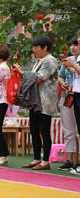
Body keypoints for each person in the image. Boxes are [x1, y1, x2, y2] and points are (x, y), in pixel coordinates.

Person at [21, 37, 59, 171]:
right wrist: (26, 75)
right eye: (34, 47)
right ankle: (37, 158)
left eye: (36, 47)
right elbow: (33, 77)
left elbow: (39, 78)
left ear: (45, 48)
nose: (34, 49)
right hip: (35, 101)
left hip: (45, 101)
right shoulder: (39, 61)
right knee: (34, 130)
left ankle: (45, 160)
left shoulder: (50, 60)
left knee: (44, 130)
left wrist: (22, 74)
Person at [62, 37, 80, 174]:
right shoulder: (70, 60)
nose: (74, 47)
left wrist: (72, 66)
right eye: (72, 44)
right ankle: (70, 160)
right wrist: (64, 83)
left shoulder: (74, 61)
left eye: (77, 44)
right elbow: (61, 76)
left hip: (76, 95)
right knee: (71, 130)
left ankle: (76, 161)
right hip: (70, 96)